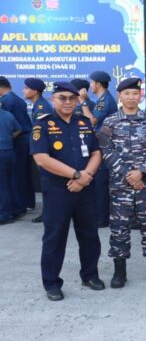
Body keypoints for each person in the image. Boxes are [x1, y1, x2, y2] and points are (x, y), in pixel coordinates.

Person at [30, 81, 105, 301]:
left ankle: (90, 275)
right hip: (57, 191)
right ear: (53, 99)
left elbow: (96, 152)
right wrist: (76, 175)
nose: (68, 102)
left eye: (72, 98)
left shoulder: (84, 122)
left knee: (90, 235)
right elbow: (41, 159)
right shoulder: (42, 125)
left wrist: (85, 177)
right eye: (62, 98)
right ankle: (51, 283)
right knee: (55, 238)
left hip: (85, 189)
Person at [97, 77, 146, 288]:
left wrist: (141, 173)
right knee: (119, 228)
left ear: (140, 95)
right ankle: (120, 272)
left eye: (135, 93)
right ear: (120, 96)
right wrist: (130, 175)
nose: (131, 97)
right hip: (120, 186)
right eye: (127, 94)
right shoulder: (110, 122)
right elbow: (106, 151)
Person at [80, 71, 117, 228]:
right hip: (102, 144)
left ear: (98, 84)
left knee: (101, 183)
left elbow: (92, 120)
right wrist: (87, 101)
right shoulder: (103, 99)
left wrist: (83, 102)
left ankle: (101, 218)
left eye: (92, 82)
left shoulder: (105, 100)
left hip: (104, 146)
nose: (90, 86)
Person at [0, 76, 34, 217]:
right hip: (24, 138)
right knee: (23, 173)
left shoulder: (6, 101)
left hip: (15, 142)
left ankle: (17, 207)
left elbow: (9, 126)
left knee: (15, 176)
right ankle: (27, 202)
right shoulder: (17, 98)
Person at [23, 78, 53, 223]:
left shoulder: (42, 107)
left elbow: (42, 132)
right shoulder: (38, 105)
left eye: (26, 88)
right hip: (42, 150)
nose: (24, 90)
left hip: (44, 151)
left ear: (35, 91)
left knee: (47, 183)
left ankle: (48, 213)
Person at [0, 107, 21, 224]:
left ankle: (4, 215)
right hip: (9, 151)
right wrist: (7, 138)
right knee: (11, 182)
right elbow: (19, 129)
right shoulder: (8, 115)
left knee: (2, 186)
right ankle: (16, 209)